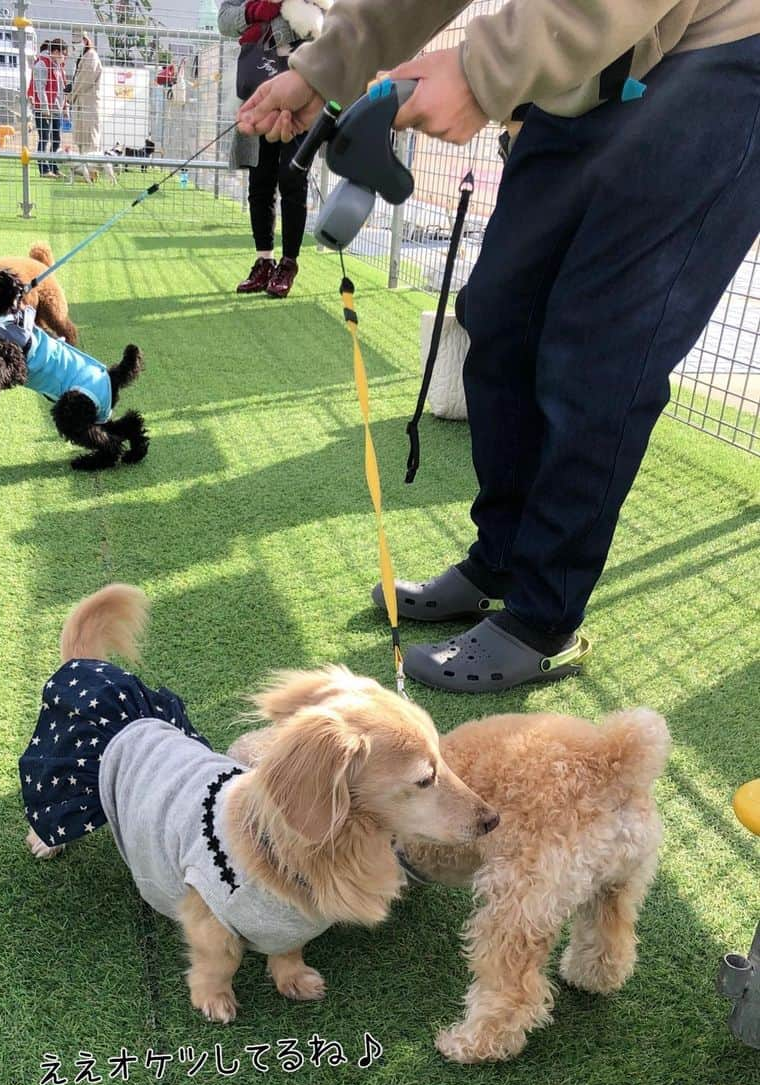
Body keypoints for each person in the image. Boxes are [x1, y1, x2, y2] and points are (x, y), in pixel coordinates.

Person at [238, 0, 760, 692]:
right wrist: (319, 69)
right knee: (498, 313)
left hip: (716, 45)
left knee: (601, 352)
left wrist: (486, 69)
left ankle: (545, 620)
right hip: (582, 65)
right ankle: (502, 560)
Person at [218, 1, 316, 299]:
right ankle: (264, 260)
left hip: (302, 91)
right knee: (260, 181)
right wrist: (256, 11)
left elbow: (318, 22)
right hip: (257, 89)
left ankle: (289, 263)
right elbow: (224, 20)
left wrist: (277, 14)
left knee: (292, 177)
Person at [30, 38, 69, 178]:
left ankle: (54, 166)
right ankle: (44, 169)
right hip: (44, 108)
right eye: (63, 54)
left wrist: (65, 106)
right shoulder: (42, 64)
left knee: (56, 138)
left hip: (56, 108)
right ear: (56, 51)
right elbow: (39, 87)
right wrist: (44, 107)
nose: (64, 57)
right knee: (44, 138)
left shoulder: (58, 67)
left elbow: (61, 89)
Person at [68, 32, 103, 184]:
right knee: (81, 139)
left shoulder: (91, 56)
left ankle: (91, 172)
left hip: (89, 104)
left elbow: (83, 82)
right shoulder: (83, 56)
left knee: (90, 139)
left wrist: (71, 94)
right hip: (81, 104)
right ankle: (84, 172)